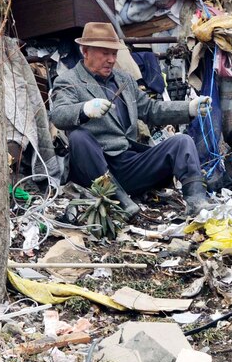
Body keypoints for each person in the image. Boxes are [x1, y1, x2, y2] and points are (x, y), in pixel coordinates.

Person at [49, 22, 212, 217]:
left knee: (181, 142)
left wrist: (189, 108)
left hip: (127, 163)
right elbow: (58, 115)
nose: (111, 60)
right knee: (78, 137)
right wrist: (84, 109)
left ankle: (196, 201)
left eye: (114, 54)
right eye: (104, 53)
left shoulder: (123, 79)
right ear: (85, 51)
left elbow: (151, 110)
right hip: (93, 169)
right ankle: (121, 201)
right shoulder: (69, 80)